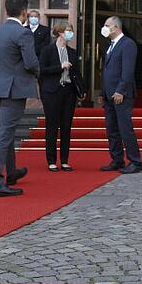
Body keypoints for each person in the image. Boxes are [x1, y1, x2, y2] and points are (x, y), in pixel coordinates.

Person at [0, 0, 39, 198]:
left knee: (5, 131)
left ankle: (12, 171)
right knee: (4, 133)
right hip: (12, 90)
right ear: (24, 12)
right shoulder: (23, 33)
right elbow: (31, 62)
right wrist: (37, 73)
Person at [100, 16, 142, 174]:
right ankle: (117, 159)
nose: (104, 28)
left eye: (107, 25)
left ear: (116, 27)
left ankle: (135, 161)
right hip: (109, 94)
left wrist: (120, 90)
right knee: (112, 129)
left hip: (121, 94)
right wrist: (103, 91)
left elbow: (127, 71)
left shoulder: (128, 44)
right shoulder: (110, 45)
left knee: (125, 128)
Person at [38, 22, 84, 172]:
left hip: (68, 92)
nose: (70, 33)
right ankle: (51, 160)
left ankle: (64, 160)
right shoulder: (47, 51)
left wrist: (82, 90)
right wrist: (60, 67)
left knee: (66, 126)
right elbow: (41, 70)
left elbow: (77, 73)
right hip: (52, 92)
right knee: (52, 126)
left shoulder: (72, 52)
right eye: (67, 31)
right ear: (59, 33)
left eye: (71, 30)